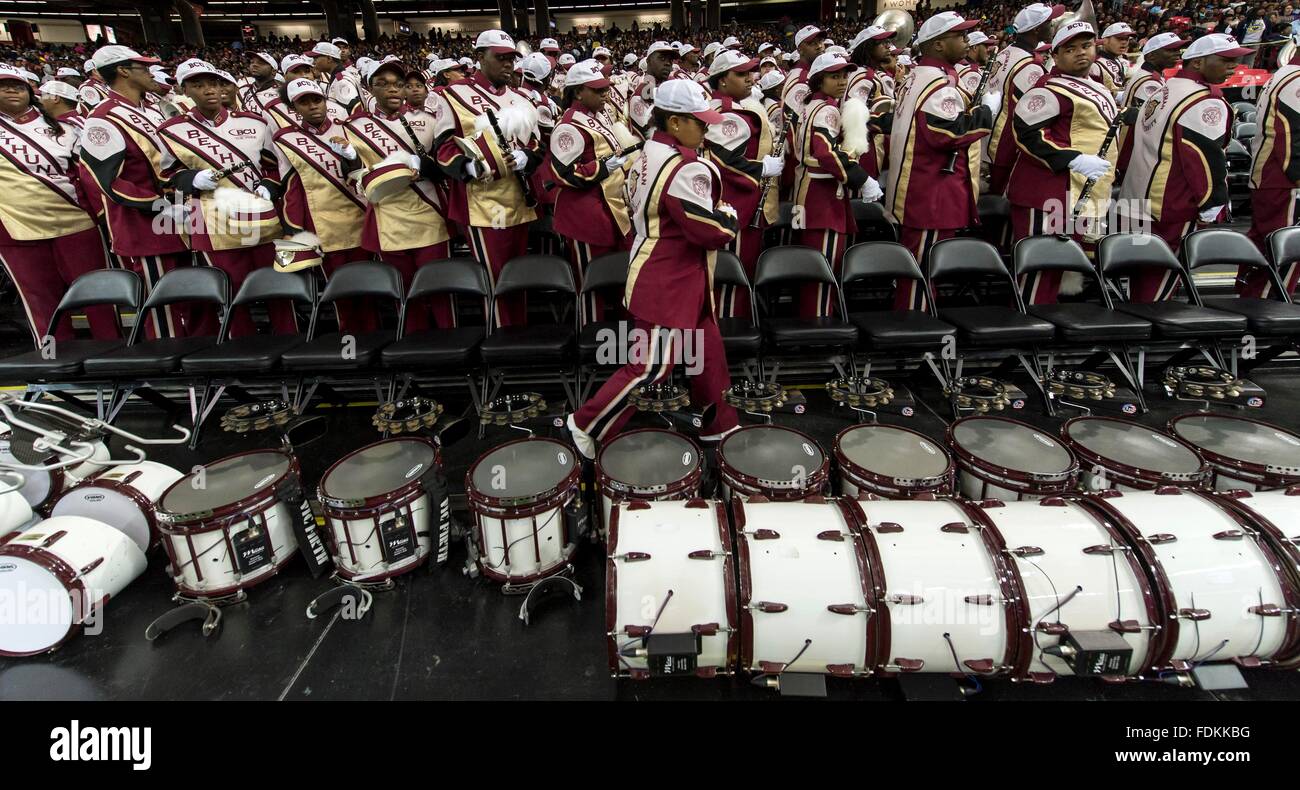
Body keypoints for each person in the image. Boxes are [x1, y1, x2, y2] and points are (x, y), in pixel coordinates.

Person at [566, 79, 740, 458]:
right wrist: (729, 216)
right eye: (699, 121)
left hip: (672, 271)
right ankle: (585, 423)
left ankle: (719, 424)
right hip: (668, 280)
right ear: (675, 123)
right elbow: (709, 231)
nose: (706, 128)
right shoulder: (683, 166)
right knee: (649, 367)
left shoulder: (649, 150)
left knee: (707, 351)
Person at [158, 61, 292, 337]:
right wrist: (191, 179)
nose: (208, 91)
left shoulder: (254, 122)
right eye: (198, 85)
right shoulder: (171, 131)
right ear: (184, 90)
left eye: (214, 84)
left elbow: (273, 165)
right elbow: (166, 176)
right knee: (230, 293)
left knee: (279, 288)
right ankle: (242, 355)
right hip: (214, 222)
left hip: (261, 217)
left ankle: (291, 343)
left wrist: (269, 186)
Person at [80, 44, 196, 339]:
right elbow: (110, 181)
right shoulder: (102, 118)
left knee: (194, 297)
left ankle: (203, 369)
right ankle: (171, 374)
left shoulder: (152, 109)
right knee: (163, 305)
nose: (149, 73)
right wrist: (159, 205)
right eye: (142, 68)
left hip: (181, 216)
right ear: (122, 71)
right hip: (146, 225)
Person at [885, 11, 998, 310]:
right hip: (931, 192)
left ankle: (918, 329)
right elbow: (944, 133)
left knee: (921, 268)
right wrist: (985, 112)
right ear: (936, 44)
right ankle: (914, 333)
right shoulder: (937, 83)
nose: (965, 41)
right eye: (958, 36)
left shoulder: (920, 77)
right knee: (922, 270)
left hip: (920, 187)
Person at [1117, 33, 1243, 300]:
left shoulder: (1165, 88)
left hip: (1136, 194)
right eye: (1226, 60)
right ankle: (1146, 338)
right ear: (1197, 62)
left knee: (1141, 274)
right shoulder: (1205, 100)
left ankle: (1135, 334)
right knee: (1161, 281)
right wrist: (1212, 202)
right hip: (1170, 202)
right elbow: (1203, 158)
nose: (1233, 67)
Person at [0, 63, 119, 345]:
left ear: (31, 92)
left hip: (77, 223)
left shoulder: (66, 128)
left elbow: (86, 175)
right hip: (16, 230)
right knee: (41, 300)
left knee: (99, 294)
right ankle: (54, 360)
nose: (11, 91)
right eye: (3, 87)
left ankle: (115, 354)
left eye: (17, 86)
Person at [430, 30, 541, 327]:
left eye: (511, 59)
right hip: (482, 202)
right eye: (499, 58)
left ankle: (520, 333)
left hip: (520, 197)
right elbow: (442, 147)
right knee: (495, 278)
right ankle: (503, 338)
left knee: (518, 275)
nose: (507, 64)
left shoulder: (519, 97)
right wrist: (468, 168)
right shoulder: (452, 95)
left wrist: (526, 158)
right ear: (480, 57)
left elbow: (535, 145)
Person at [1009, 21, 1118, 304]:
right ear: (1055, 56)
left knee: (1062, 270)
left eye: (1086, 46)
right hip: (1045, 193)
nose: (1081, 53)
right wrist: (1073, 159)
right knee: (1039, 271)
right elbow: (1026, 133)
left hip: (1079, 192)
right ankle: (1027, 333)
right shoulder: (1048, 88)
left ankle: (1045, 337)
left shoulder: (1096, 85)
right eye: (1070, 49)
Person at [345, 58, 453, 331]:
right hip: (389, 218)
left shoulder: (429, 122)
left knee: (439, 286)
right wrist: (350, 161)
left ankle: (450, 339)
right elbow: (354, 173)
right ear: (370, 89)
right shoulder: (353, 127)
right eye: (383, 84)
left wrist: (423, 167)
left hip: (428, 214)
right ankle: (413, 343)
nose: (392, 90)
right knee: (404, 291)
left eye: (398, 84)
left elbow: (444, 166)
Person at [269, 78, 371, 325]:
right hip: (323, 224)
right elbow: (292, 186)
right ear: (293, 108)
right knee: (341, 294)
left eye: (317, 100)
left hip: (360, 217)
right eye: (304, 103)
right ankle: (352, 349)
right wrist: (295, 229)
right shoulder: (286, 138)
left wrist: (352, 158)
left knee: (369, 291)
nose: (313, 106)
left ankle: (374, 343)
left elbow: (368, 172)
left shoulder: (349, 128)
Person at [549, 59, 634, 321]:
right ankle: (591, 337)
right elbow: (563, 173)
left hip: (609, 209)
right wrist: (602, 167)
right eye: (597, 90)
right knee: (591, 281)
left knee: (620, 276)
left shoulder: (596, 116)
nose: (605, 94)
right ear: (577, 92)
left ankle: (623, 336)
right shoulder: (568, 126)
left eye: (605, 88)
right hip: (584, 215)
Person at [704, 49, 783, 318]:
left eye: (750, 72)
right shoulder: (727, 113)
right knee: (734, 271)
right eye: (741, 74)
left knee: (732, 271)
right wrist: (763, 168)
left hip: (731, 202)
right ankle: (728, 328)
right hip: (737, 204)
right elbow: (724, 161)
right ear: (722, 80)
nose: (750, 78)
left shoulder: (722, 107)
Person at [794, 51, 872, 317]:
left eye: (843, 76)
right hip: (822, 199)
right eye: (834, 76)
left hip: (807, 195)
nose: (841, 81)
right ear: (818, 80)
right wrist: (862, 178)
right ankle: (818, 324)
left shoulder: (811, 106)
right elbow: (826, 154)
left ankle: (813, 318)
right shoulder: (826, 109)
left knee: (811, 266)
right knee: (822, 267)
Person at [986, 3, 1063, 196]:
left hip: (989, 140)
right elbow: (1030, 115)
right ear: (1037, 29)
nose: (1052, 26)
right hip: (1006, 147)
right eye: (1049, 22)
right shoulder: (1031, 66)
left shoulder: (1005, 52)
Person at [1244, 40, 1300, 295]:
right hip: (1284, 181)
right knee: (1282, 254)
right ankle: (1267, 309)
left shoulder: (1287, 74)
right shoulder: (1296, 79)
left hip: (1273, 178)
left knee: (1269, 249)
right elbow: (1291, 141)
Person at [1115, 32, 1187, 177]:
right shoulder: (1149, 81)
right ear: (1151, 56)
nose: (1177, 54)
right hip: (1134, 151)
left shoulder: (1152, 75)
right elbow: (1150, 122)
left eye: (1177, 50)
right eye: (1170, 50)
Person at [845, 24, 899, 181]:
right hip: (861, 148)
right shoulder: (866, 77)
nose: (888, 47)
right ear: (868, 47)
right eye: (882, 43)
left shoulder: (864, 72)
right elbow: (854, 117)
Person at [628, 40, 680, 138]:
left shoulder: (672, 88)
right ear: (648, 61)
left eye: (670, 60)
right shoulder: (639, 97)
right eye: (662, 58)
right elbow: (654, 135)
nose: (668, 63)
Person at [309, 40, 360, 112]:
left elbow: (354, 110)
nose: (314, 62)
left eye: (316, 58)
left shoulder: (342, 81)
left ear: (329, 59)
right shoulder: (338, 77)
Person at [1091, 22, 1135, 95]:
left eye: (1126, 39)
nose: (1124, 42)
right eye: (1120, 38)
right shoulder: (1094, 64)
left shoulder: (1118, 59)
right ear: (1105, 40)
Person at [957, 31, 994, 97]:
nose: (988, 50)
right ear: (975, 47)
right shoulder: (972, 72)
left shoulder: (959, 62)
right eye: (986, 46)